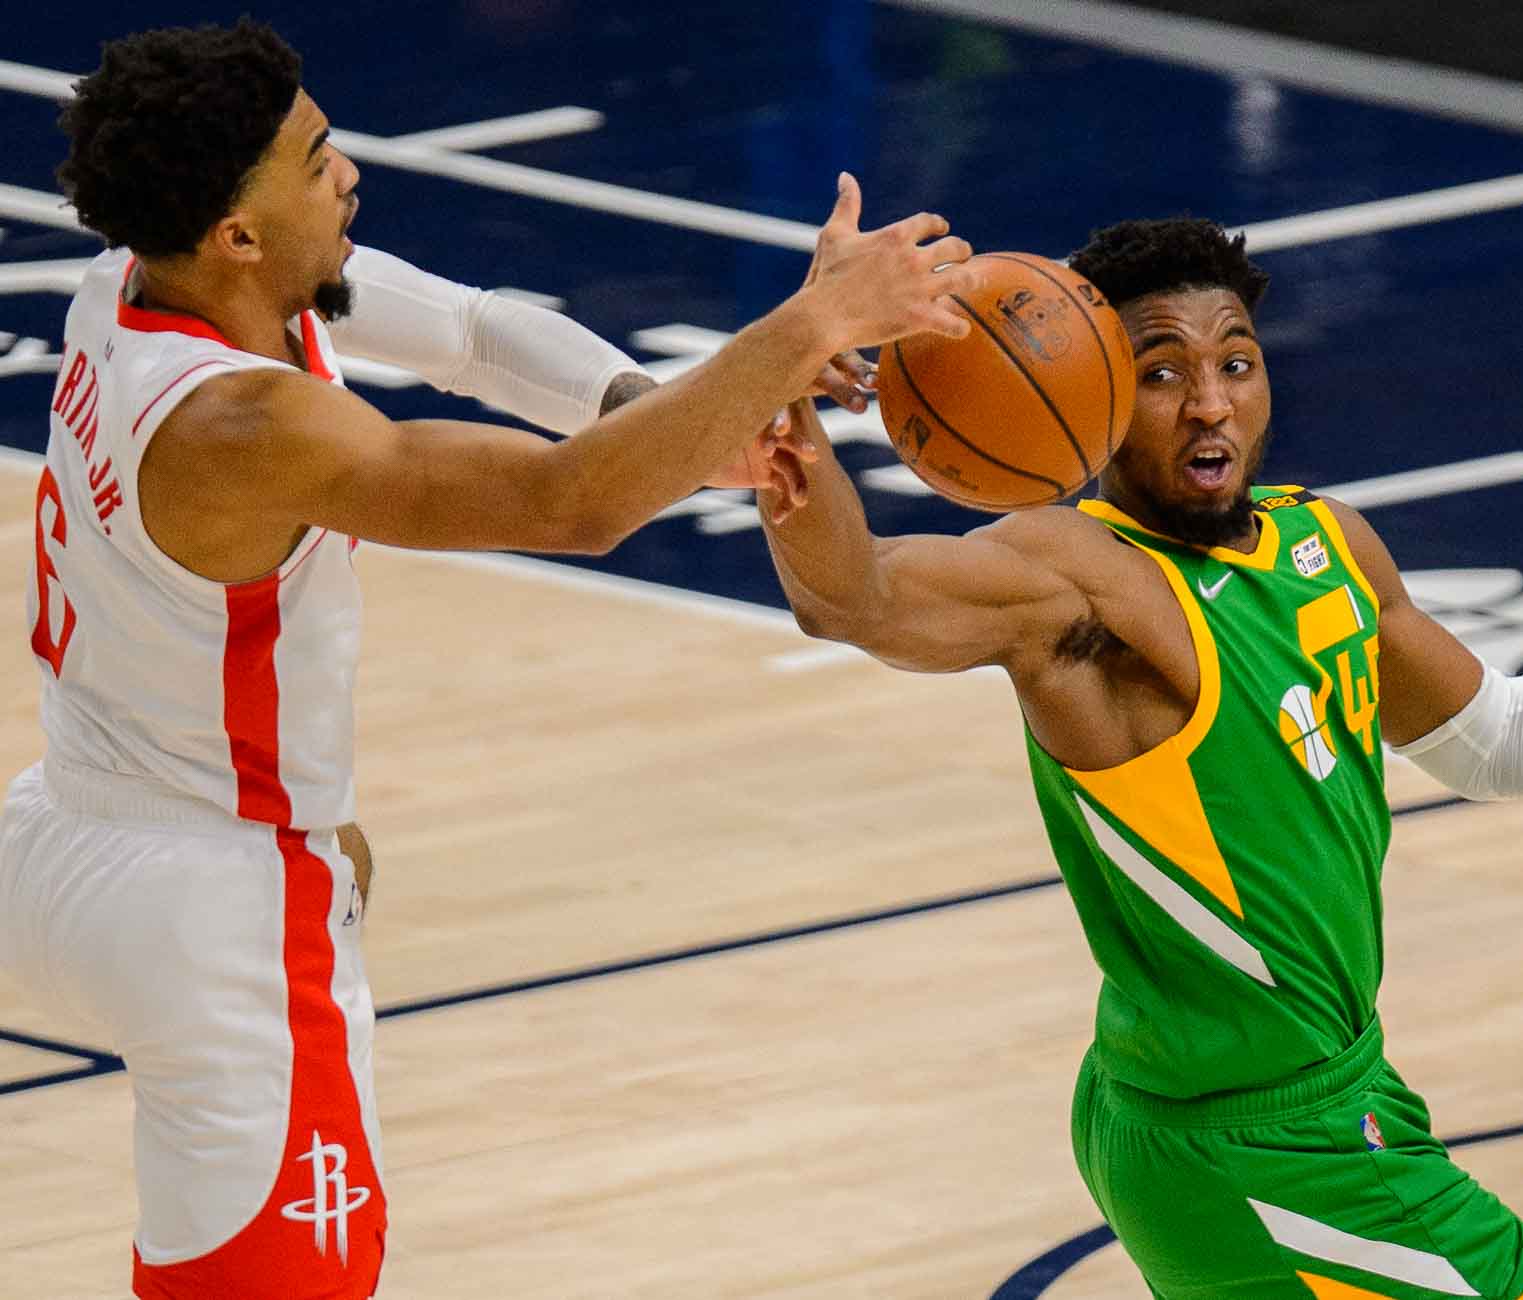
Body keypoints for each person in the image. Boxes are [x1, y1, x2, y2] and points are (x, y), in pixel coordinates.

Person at [755, 217, 1523, 1300]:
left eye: (1236, 361)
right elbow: (851, 598)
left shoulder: (1325, 543)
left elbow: (1494, 738)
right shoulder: (1077, 578)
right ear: (1097, 392)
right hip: (1242, 1133)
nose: (1210, 404)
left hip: (1331, 1092)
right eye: (1160, 372)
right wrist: (790, 386)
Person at [0, 18, 977, 1299]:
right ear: (238, 231)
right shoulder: (249, 427)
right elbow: (566, 507)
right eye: (315, 157)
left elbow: (468, 334)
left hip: (62, 829)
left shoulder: (141, 283)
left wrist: (665, 416)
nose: (348, 171)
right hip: (216, 912)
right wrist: (802, 330)